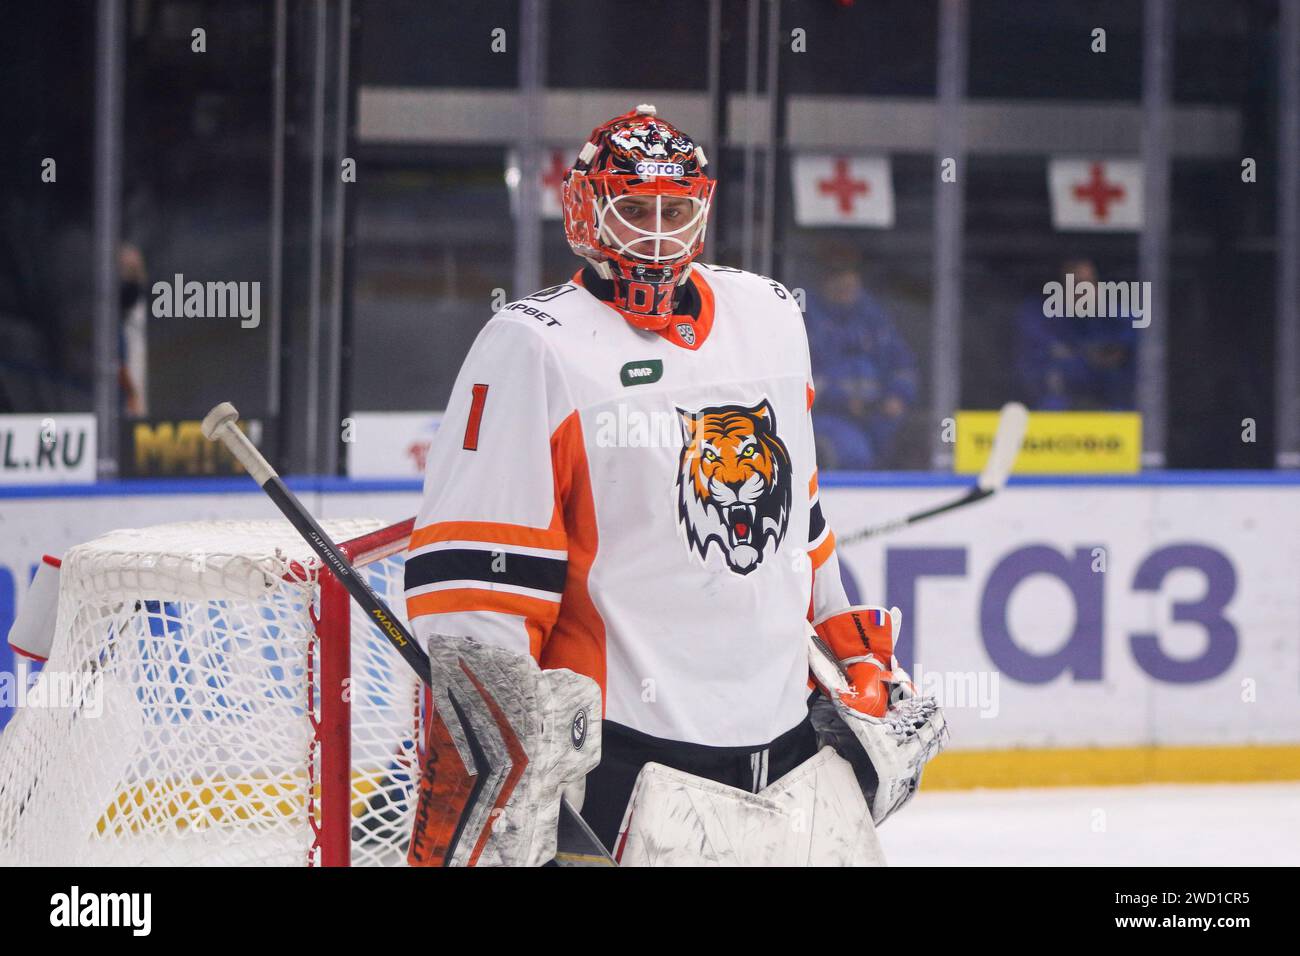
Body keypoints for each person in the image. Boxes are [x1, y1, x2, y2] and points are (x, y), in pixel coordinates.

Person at [402, 105, 944, 866]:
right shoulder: (532, 348)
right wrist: (504, 759)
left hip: (791, 755)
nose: (657, 233)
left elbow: (803, 526)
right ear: (588, 211)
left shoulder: (772, 317)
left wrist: (848, 646)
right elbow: (478, 593)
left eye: (675, 210)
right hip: (627, 768)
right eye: (634, 210)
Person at [804, 254, 918, 469]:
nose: (845, 282)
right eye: (836, 275)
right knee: (853, 455)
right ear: (823, 281)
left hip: (879, 415)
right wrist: (840, 400)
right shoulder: (807, 318)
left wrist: (898, 395)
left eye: (850, 274)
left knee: (912, 454)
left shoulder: (874, 317)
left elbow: (904, 366)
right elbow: (801, 377)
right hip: (826, 416)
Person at [1014, 257, 1137, 411]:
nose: (1083, 292)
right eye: (1077, 285)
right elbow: (1034, 369)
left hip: (1110, 407)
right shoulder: (1039, 317)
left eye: (1090, 285)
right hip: (1058, 408)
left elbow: (1131, 351)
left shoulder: (1114, 317)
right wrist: (1085, 359)